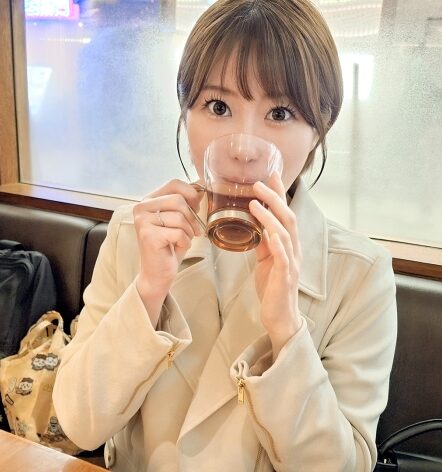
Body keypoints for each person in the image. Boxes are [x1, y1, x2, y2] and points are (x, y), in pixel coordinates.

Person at [53, 1, 397, 471]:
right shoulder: (135, 233)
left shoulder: (359, 276)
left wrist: (285, 331)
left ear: (319, 131)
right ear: (185, 112)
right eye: (218, 107)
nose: (243, 148)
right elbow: (79, 424)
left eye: (280, 112)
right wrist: (148, 292)